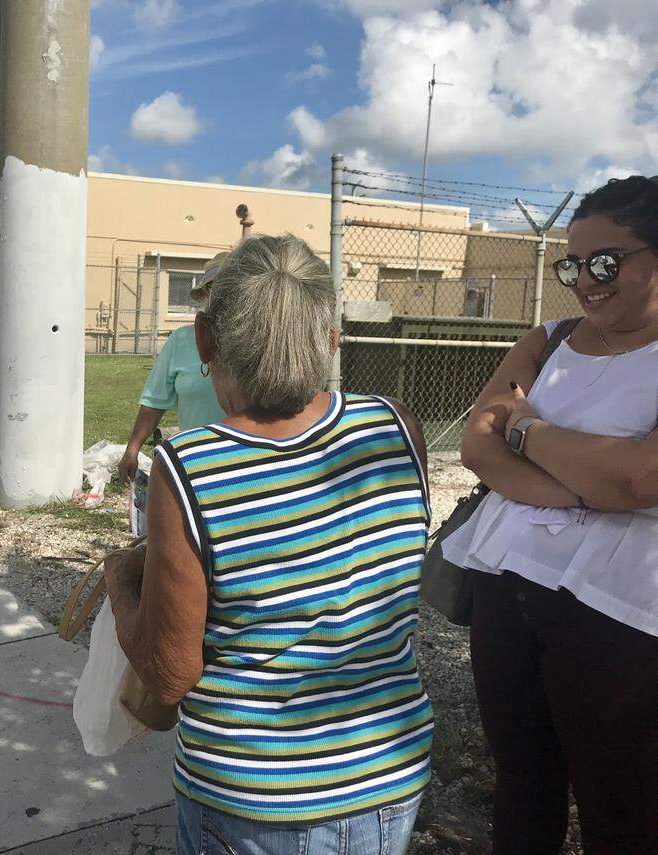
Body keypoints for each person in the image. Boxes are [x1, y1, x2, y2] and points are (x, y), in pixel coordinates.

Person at [105, 234, 434, 855]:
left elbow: (169, 674)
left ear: (205, 342)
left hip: (256, 800)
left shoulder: (189, 468)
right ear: (331, 336)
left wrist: (123, 582)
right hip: (391, 774)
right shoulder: (396, 426)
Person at [447, 175, 658, 855]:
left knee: (620, 804)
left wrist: (531, 431)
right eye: (572, 264)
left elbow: (642, 476)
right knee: (522, 782)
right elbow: (479, 442)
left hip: (618, 615)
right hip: (505, 591)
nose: (584, 281)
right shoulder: (550, 338)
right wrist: (582, 488)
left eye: (606, 261)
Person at [118, 253, 228, 483]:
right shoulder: (181, 341)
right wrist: (133, 449)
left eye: (229, 290)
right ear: (205, 296)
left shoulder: (258, 341)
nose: (222, 298)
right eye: (214, 290)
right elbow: (154, 401)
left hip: (245, 461)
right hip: (196, 461)